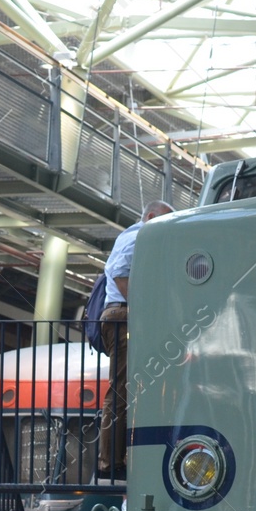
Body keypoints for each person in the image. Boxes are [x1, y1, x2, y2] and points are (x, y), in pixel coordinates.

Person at [97, 199, 174, 479]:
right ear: (150, 216)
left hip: (122, 317)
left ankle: (119, 457)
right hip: (123, 317)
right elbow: (120, 272)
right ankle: (110, 462)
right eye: (163, 221)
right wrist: (143, 311)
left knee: (129, 389)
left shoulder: (136, 237)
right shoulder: (137, 235)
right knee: (120, 391)